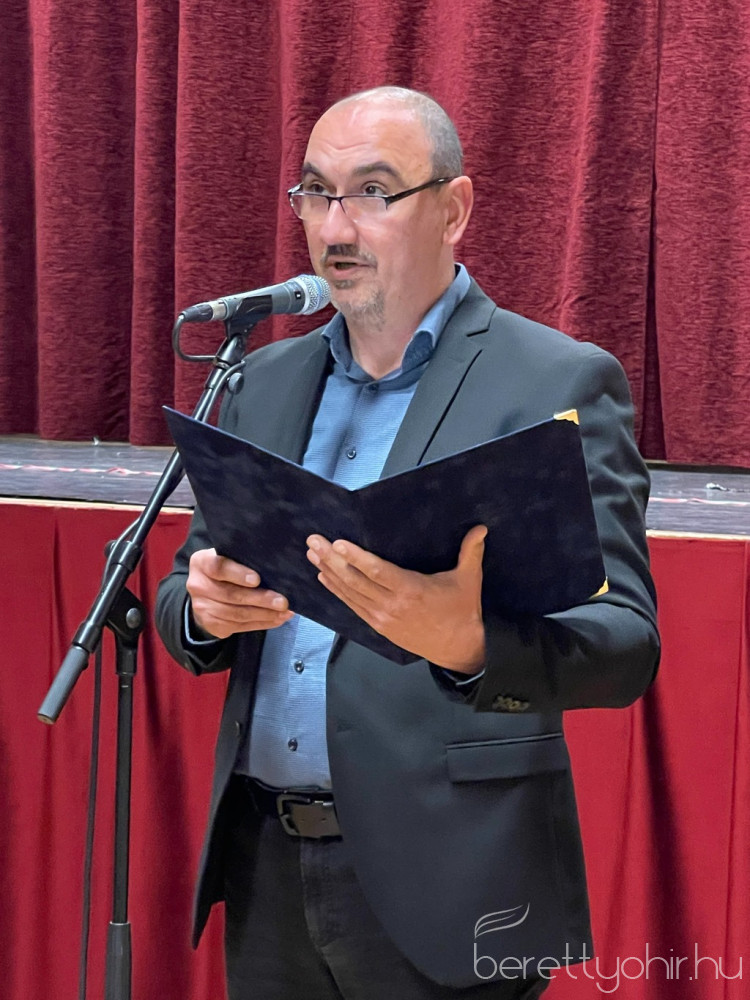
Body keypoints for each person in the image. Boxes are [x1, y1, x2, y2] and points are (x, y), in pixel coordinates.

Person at [156, 86, 660, 1000]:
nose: (335, 226)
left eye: (373, 192)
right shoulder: (262, 380)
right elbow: (186, 582)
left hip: (455, 878)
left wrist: (469, 645)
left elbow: (625, 647)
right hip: (266, 866)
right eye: (316, 192)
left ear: (454, 209)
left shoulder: (554, 381)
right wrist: (203, 610)